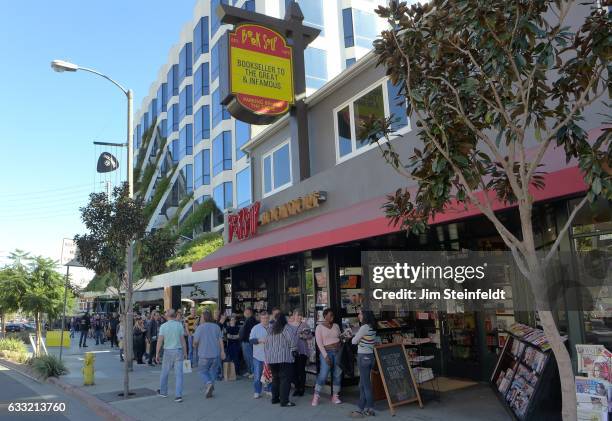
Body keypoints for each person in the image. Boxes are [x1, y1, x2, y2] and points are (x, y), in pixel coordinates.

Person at [264, 312, 297, 407]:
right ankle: (284, 401)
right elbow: (292, 341)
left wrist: (267, 357)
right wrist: (294, 350)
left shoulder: (270, 329)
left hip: (271, 359)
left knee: (275, 379)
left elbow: (266, 344)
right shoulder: (286, 328)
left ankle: (275, 398)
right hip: (284, 358)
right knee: (285, 380)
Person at [312, 308, 343, 406]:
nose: (332, 317)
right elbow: (319, 343)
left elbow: (339, 337)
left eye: (333, 315)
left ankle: (335, 396)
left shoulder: (336, 326)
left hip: (337, 352)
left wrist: (344, 337)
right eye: (330, 315)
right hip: (326, 352)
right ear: (325, 316)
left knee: (337, 374)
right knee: (324, 374)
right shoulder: (319, 328)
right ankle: (316, 395)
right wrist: (325, 356)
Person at [156, 309, 188, 403]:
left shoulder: (163, 326)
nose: (164, 314)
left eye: (166, 313)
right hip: (178, 351)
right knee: (179, 374)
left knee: (164, 372)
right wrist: (185, 352)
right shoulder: (179, 325)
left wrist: (157, 353)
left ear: (168, 316)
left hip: (167, 352)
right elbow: (183, 341)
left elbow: (160, 341)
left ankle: (163, 392)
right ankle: (178, 396)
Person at [350, 310, 377, 418]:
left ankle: (370, 408)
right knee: (362, 384)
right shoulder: (372, 327)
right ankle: (360, 408)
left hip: (363, 357)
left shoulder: (364, 327)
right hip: (370, 356)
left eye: (360, 314)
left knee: (366, 385)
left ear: (365, 316)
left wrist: (353, 335)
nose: (358, 315)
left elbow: (354, 341)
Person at [193, 310, 225, 398]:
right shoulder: (216, 327)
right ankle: (209, 389)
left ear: (204, 318)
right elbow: (220, 340)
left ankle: (208, 383)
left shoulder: (200, 327)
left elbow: (195, 342)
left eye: (201, 317)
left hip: (204, 354)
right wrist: (222, 351)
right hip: (215, 354)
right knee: (213, 372)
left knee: (202, 371)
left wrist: (194, 345)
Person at [249, 311, 272, 399]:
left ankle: (269, 389)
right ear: (260, 319)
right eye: (263, 318)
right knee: (258, 375)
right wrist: (259, 340)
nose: (265, 320)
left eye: (266, 318)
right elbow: (251, 341)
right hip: (258, 356)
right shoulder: (255, 328)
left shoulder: (272, 327)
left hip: (270, 356)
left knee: (270, 374)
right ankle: (257, 391)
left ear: (269, 318)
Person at [289, 309, 311, 397]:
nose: (299, 317)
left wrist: (303, 336)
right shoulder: (288, 326)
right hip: (291, 351)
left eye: (300, 315)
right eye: (297, 315)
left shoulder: (304, 325)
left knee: (301, 370)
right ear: (294, 315)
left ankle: (301, 388)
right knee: (293, 371)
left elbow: (310, 336)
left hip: (302, 351)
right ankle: (297, 387)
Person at [239, 307, 257, 378]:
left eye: (247, 312)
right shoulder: (247, 320)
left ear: (250, 313)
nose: (245, 313)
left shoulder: (251, 320)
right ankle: (249, 371)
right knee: (246, 357)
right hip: (245, 341)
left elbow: (249, 332)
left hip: (247, 341)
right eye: (245, 311)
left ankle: (253, 372)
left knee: (249, 357)